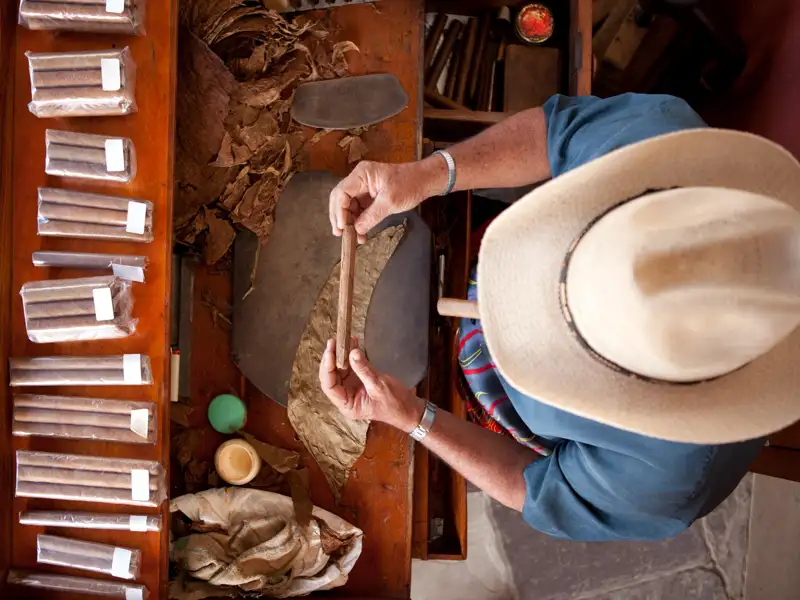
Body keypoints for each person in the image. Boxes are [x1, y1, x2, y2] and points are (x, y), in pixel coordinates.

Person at [318, 93, 800, 541]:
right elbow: (557, 133)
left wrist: (412, 415)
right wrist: (425, 175)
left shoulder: (669, 482)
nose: (517, 313)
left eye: (566, 336)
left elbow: (535, 487)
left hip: (497, 404)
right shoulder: (665, 148)